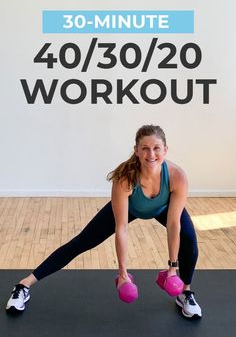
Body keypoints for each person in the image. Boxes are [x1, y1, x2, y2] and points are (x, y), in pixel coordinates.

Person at [6, 125, 202, 318]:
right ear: (136, 151)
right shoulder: (125, 178)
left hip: (163, 209)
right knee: (81, 242)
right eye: (145, 148)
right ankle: (23, 285)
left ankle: (185, 292)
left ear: (165, 150)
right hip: (131, 208)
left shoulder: (177, 177)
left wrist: (172, 269)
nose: (151, 154)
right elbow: (122, 228)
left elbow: (174, 224)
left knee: (190, 242)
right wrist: (123, 274)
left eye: (156, 148)